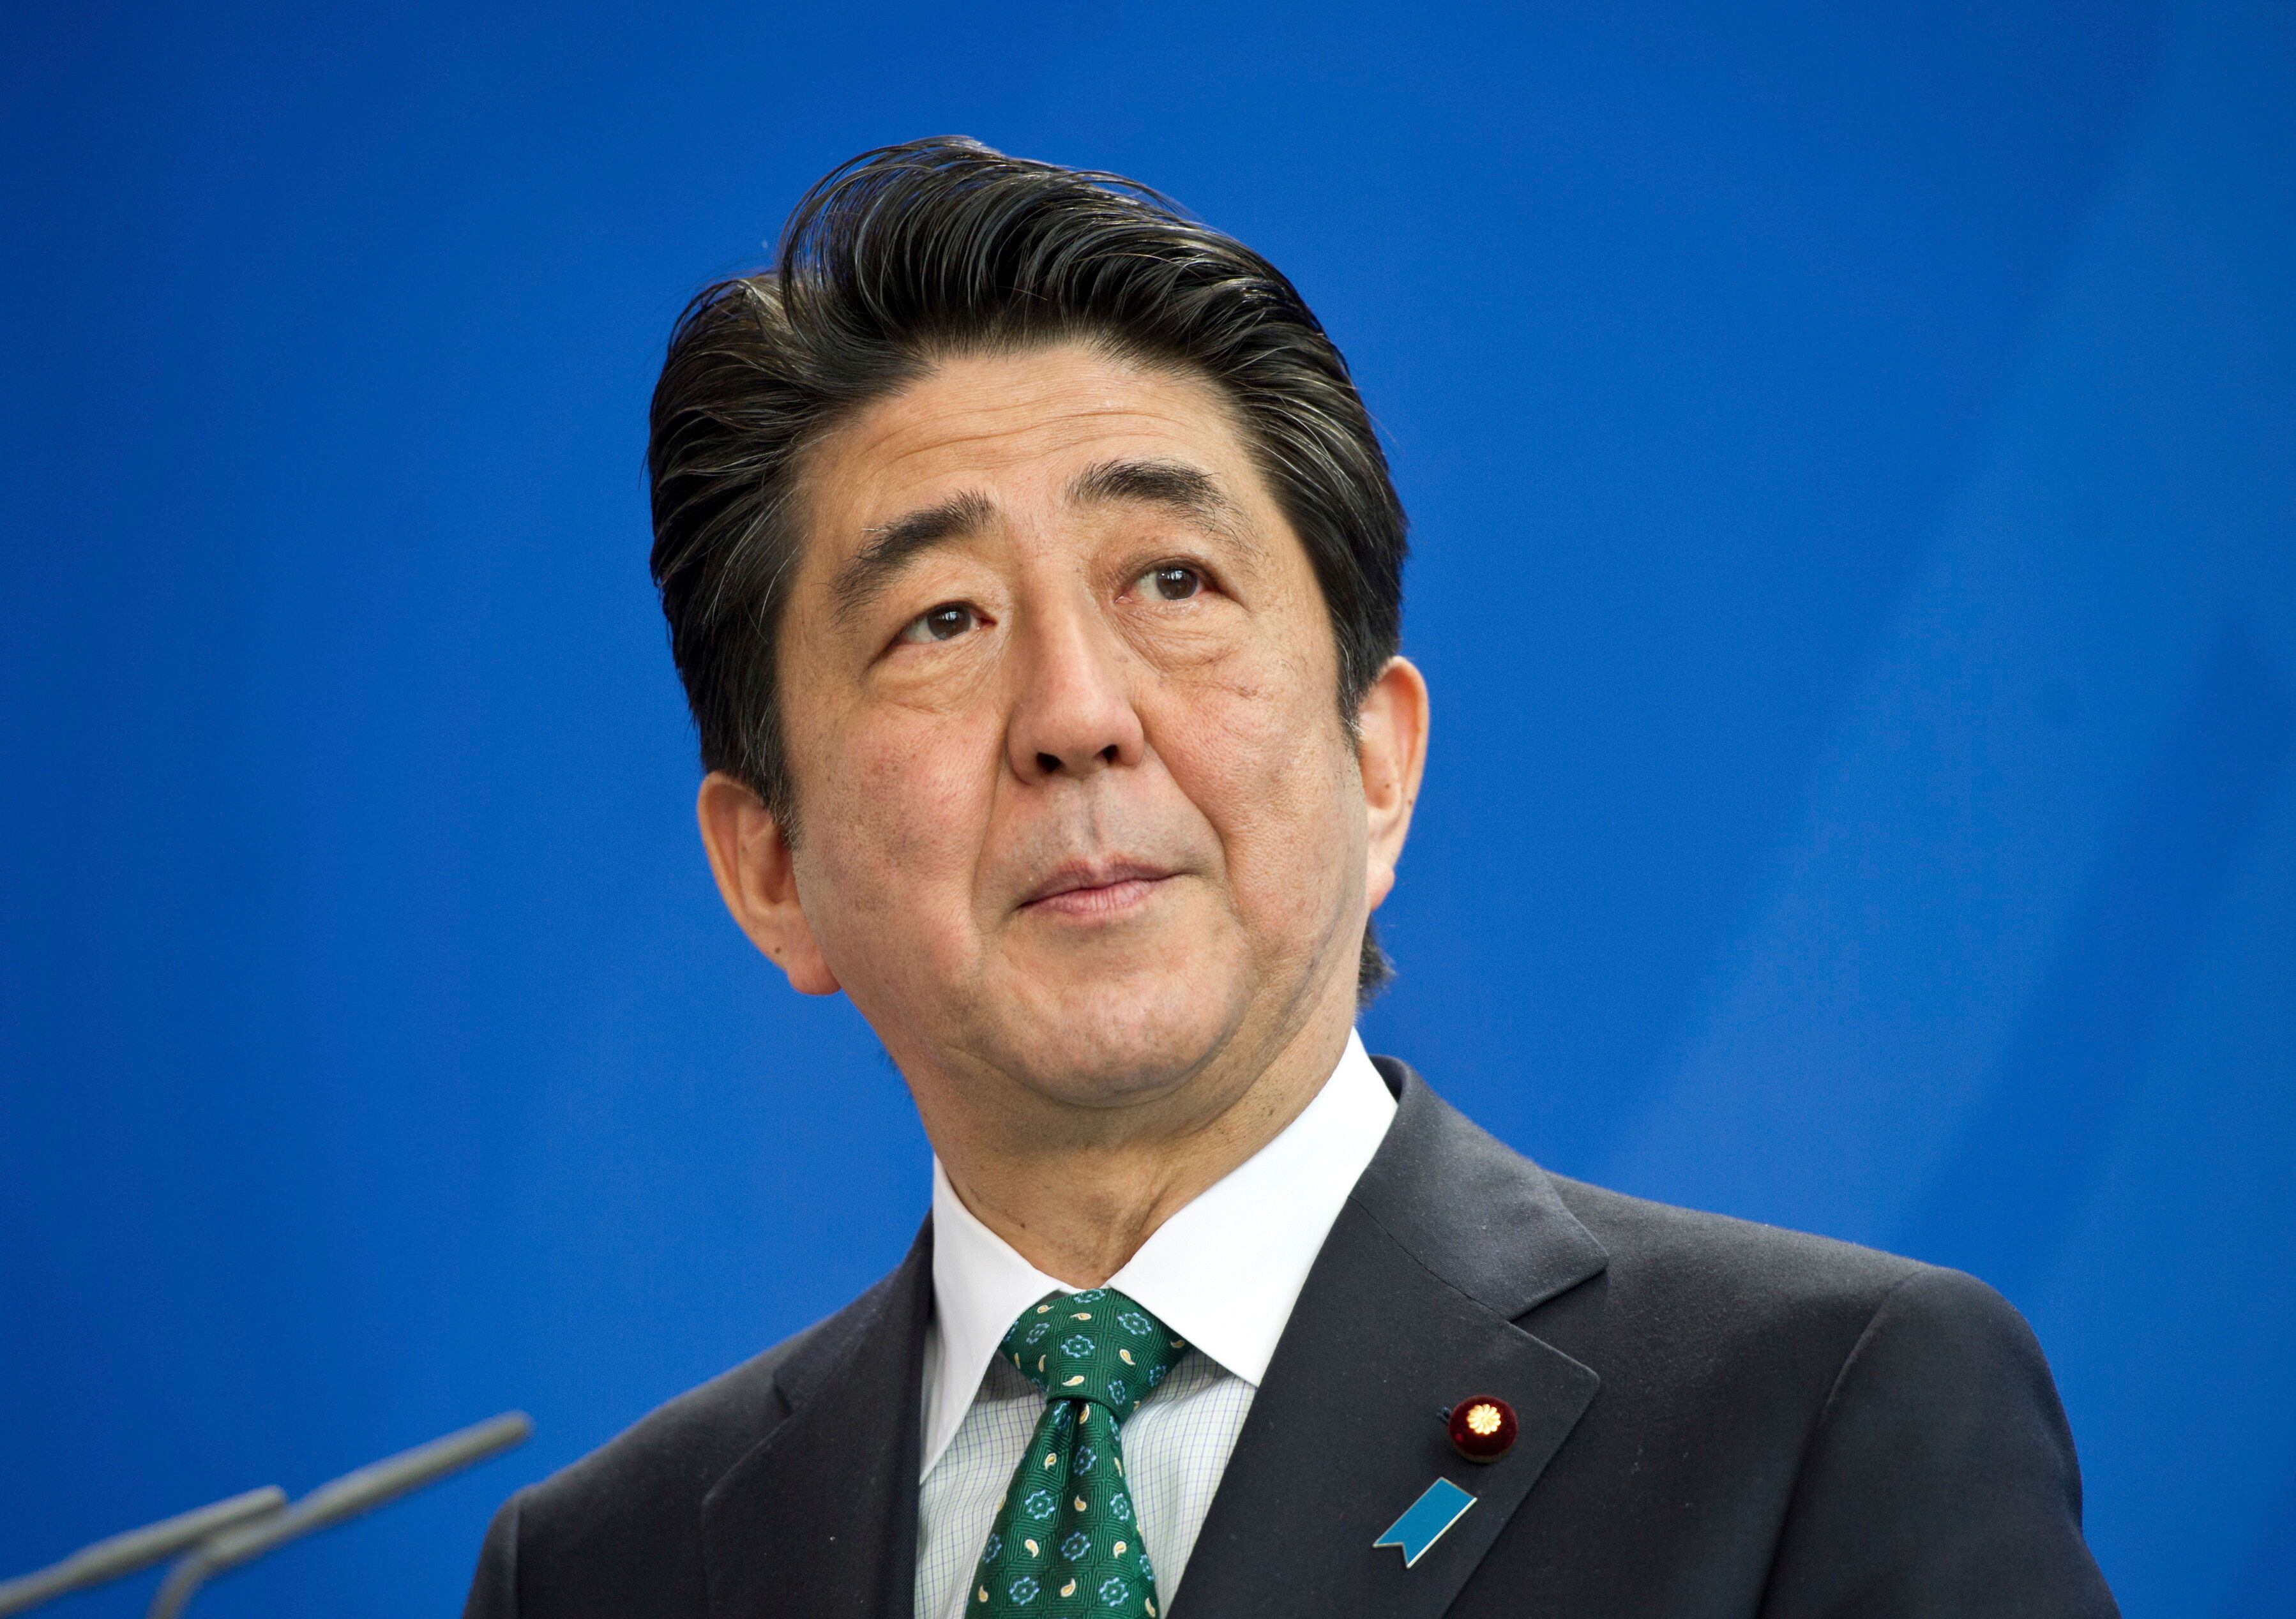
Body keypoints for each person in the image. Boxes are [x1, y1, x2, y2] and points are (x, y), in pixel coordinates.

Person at [462, 137, 2117, 1619]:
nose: (1076, 716)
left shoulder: (1822, 1416)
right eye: (942, 620)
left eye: (1170, 579)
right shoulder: (605, 1570)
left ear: (1375, 762)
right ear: (769, 870)